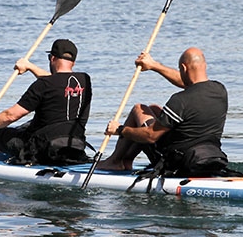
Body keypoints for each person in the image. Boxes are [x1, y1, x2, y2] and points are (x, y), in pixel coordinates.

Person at [96, 47, 230, 177]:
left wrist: (120, 129)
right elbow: (190, 82)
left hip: (176, 161)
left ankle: (114, 161)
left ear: (183, 68)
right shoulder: (220, 90)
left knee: (138, 109)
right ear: (204, 66)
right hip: (207, 154)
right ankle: (125, 161)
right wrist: (154, 65)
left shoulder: (180, 100)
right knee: (153, 109)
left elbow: (151, 136)